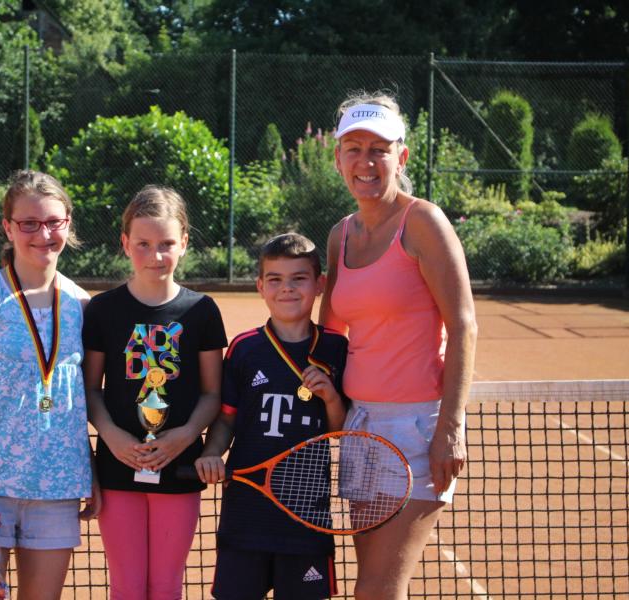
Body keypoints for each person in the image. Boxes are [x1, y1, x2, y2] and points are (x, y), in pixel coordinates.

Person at [318, 91, 478, 600]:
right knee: (378, 585)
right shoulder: (339, 236)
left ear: (401, 156)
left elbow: (464, 324)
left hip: (416, 429)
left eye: (379, 149)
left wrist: (450, 429)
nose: (366, 162)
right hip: (360, 426)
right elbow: (331, 334)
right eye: (354, 148)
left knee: (377, 590)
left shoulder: (424, 223)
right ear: (338, 157)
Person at [0, 170, 99, 600]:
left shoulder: (84, 306)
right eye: (28, 223)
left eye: (53, 222)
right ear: (8, 227)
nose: (42, 234)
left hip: (58, 487)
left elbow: (78, 400)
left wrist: (91, 474)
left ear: (68, 223)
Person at [82, 184, 228, 600]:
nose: (155, 256)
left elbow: (211, 394)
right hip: (116, 466)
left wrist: (183, 438)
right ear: (125, 243)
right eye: (143, 244)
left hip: (179, 466)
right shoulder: (103, 311)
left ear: (184, 242)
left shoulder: (202, 311)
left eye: (166, 244)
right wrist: (113, 437)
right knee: (126, 587)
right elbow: (92, 389)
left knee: (166, 586)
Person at [195, 233, 348, 600]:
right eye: (275, 280)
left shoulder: (335, 348)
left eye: (299, 278)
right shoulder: (245, 348)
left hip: (306, 516)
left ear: (319, 284)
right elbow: (227, 419)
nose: (287, 289)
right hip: (246, 512)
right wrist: (211, 452)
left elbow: (339, 431)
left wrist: (329, 397)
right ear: (261, 286)